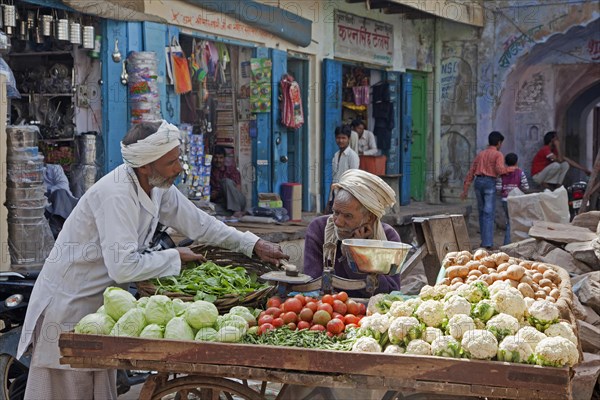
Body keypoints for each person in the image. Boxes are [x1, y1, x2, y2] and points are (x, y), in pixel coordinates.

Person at [17, 120, 288, 399]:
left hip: (98, 308)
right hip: (68, 304)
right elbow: (123, 267)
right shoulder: (116, 194)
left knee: (97, 388)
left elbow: (201, 224)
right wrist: (174, 256)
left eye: (178, 159)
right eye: (171, 162)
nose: (179, 168)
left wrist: (253, 244)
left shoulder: (158, 187)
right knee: (70, 389)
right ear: (145, 166)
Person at [305, 169, 400, 298]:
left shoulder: (389, 238)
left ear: (370, 218)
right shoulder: (319, 229)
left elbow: (389, 293)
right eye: (336, 212)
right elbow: (312, 285)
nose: (338, 222)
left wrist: (359, 255)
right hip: (328, 311)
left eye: (348, 216)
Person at [461, 131, 517, 249]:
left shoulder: (481, 154)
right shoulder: (498, 154)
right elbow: (500, 170)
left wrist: (465, 189)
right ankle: (487, 243)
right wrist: (510, 169)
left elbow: (471, 171)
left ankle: (484, 241)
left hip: (478, 182)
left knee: (482, 213)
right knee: (488, 214)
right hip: (489, 182)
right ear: (498, 143)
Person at [496, 153, 529, 246]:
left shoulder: (501, 175)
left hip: (505, 200)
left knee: (509, 222)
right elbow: (526, 187)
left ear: (505, 162)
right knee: (514, 222)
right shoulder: (520, 173)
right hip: (516, 201)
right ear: (516, 161)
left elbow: (498, 189)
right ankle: (508, 244)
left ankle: (509, 243)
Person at [327, 125, 359, 212]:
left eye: (343, 138)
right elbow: (334, 177)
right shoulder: (336, 155)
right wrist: (329, 199)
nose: (340, 140)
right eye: (338, 138)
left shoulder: (352, 156)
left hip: (346, 196)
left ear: (348, 139)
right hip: (335, 193)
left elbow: (354, 178)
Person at [210, 146, 246, 218]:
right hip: (223, 203)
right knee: (209, 209)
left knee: (226, 182)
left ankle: (236, 211)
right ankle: (231, 213)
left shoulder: (232, 171)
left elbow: (237, 190)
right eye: (216, 158)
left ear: (224, 158)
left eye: (221, 158)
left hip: (238, 201)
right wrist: (212, 195)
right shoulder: (210, 173)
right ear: (212, 159)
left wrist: (220, 192)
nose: (218, 160)